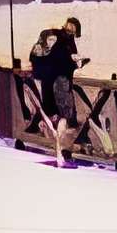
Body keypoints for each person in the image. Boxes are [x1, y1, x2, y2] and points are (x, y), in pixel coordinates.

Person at [30, 20, 86, 163]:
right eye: (71, 27)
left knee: (59, 118)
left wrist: (76, 62)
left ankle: (61, 151)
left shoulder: (65, 40)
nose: (72, 30)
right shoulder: (59, 39)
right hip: (59, 84)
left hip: (55, 83)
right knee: (63, 118)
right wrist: (75, 62)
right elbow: (60, 61)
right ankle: (61, 152)